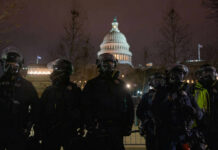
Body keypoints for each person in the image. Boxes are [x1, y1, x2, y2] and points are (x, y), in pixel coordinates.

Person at [82, 53, 134, 150]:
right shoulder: (92, 84)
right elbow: (85, 106)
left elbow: (129, 107)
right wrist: (91, 125)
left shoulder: (121, 84)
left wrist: (128, 125)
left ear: (114, 64)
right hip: (98, 130)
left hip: (116, 130)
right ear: (99, 65)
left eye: (111, 63)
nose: (109, 67)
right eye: (105, 64)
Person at [152, 64, 202, 150]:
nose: (180, 76)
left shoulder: (187, 92)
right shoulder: (163, 91)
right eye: (177, 73)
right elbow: (155, 110)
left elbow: (199, 113)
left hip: (184, 135)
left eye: (182, 74)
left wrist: (193, 111)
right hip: (168, 136)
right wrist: (168, 101)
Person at [0, 48, 39, 150]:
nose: (10, 69)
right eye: (8, 65)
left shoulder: (27, 86)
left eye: (14, 66)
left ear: (19, 67)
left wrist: (28, 125)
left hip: (18, 132)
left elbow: (37, 108)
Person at [40, 58, 83, 150]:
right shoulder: (49, 90)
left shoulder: (74, 91)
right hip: (51, 132)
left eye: (55, 69)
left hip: (67, 133)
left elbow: (81, 111)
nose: (52, 72)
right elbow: (41, 112)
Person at [136, 72, 166, 150]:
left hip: (165, 130)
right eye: (156, 80)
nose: (158, 82)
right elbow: (139, 111)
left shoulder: (168, 94)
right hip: (151, 129)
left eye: (160, 80)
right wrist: (146, 120)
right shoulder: (147, 96)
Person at [192, 64, 218, 150]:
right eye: (204, 73)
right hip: (200, 129)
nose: (207, 76)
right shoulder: (194, 89)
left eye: (210, 73)